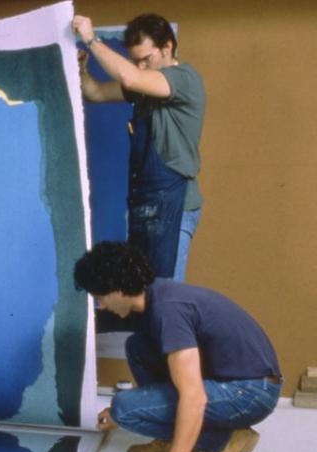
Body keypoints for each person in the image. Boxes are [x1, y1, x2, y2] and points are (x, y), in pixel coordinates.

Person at [73, 242, 282, 452]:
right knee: (138, 347)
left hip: (250, 392)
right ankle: (174, 440)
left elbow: (193, 396)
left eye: (100, 297)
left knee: (125, 409)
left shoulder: (168, 311)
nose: (101, 305)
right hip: (241, 383)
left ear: (118, 289)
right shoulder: (156, 295)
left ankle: (227, 441)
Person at [72, 14, 205, 282]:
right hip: (145, 205)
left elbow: (131, 79)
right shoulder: (145, 88)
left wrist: (90, 40)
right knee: (141, 295)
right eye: (136, 61)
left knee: (165, 298)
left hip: (174, 206)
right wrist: (82, 70)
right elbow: (95, 92)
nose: (141, 67)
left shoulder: (183, 78)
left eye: (147, 59)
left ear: (167, 47)